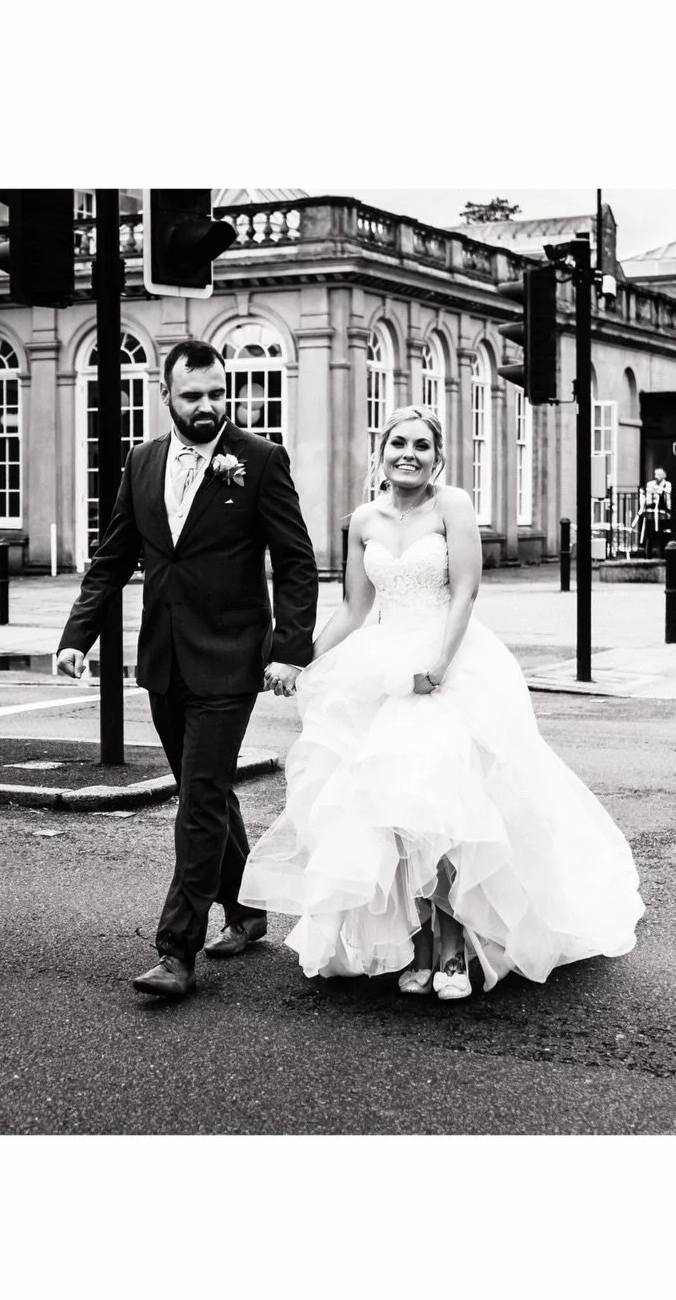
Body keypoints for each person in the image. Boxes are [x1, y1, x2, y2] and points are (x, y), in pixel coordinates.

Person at [239, 405, 643, 1000]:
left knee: (445, 807)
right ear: (380, 451)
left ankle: (453, 944)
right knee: (392, 811)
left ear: (438, 456)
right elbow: (354, 609)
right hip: (381, 665)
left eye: (421, 446)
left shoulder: (452, 505)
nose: (409, 453)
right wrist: (302, 659)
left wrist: (440, 665)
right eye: (398, 443)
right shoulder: (362, 522)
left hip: (448, 665)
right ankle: (419, 941)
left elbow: (466, 592)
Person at [56, 342, 318, 999]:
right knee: (206, 790)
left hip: (231, 658)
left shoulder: (258, 461)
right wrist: (77, 636)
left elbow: (295, 560)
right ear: (165, 396)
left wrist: (291, 646)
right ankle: (249, 909)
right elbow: (114, 556)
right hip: (163, 659)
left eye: (217, 393)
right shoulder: (141, 462)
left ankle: (176, 951)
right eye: (193, 395)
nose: (208, 406)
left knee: (198, 801)